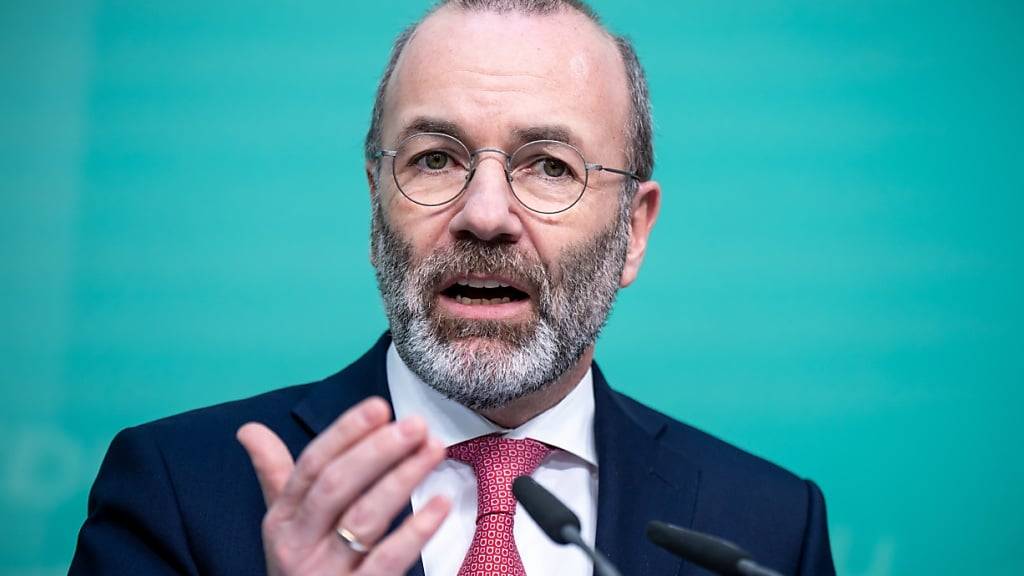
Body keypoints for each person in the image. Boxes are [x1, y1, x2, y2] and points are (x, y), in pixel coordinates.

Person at [69, 1, 836, 575]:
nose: (485, 216)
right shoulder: (178, 491)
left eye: (550, 166)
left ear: (633, 230)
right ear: (377, 200)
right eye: (435, 159)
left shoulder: (768, 525)